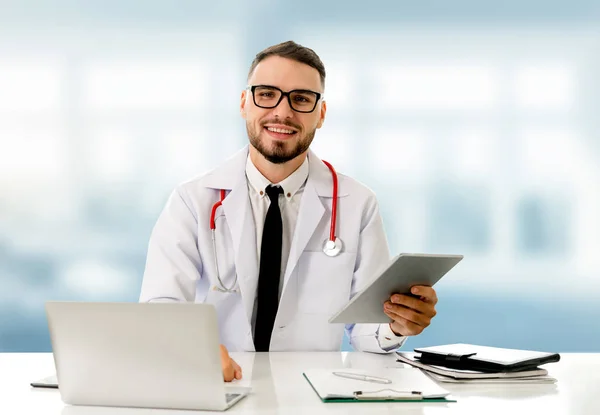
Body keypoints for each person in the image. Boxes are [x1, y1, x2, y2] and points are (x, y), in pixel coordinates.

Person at [139, 41, 438, 381]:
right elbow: (160, 307)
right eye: (267, 94)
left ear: (321, 113)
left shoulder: (357, 204)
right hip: (219, 384)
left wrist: (396, 325)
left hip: (312, 390)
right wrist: (196, 347)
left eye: (300, 98)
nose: (282, 112)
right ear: (244, 103)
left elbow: (365, 328)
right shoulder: (192, 201)